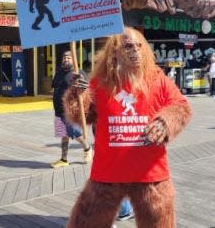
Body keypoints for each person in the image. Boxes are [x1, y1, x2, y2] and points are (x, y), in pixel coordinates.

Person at [64, 27, 192, 228]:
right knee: (87, 221)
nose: (135, 51)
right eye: (128, 46)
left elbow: (181, 106)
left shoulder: (158, 80)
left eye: (139, 46)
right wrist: (76, 95)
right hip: (108, 170)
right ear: (114, 51)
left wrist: (164, 123)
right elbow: (82, 116)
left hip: (150, 171)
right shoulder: (101, 82)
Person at [50, 51, 92, 168]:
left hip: (70, 111)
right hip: (58, 111)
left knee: (76, 134)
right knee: (63, 135)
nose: (66, 59)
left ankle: (87, 148)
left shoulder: (78, 73)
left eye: (68, 57)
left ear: (74, 60)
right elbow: (55, 88)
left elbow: (86, 90)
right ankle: (64, 160)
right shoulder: (58, 73)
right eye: (64, 57)